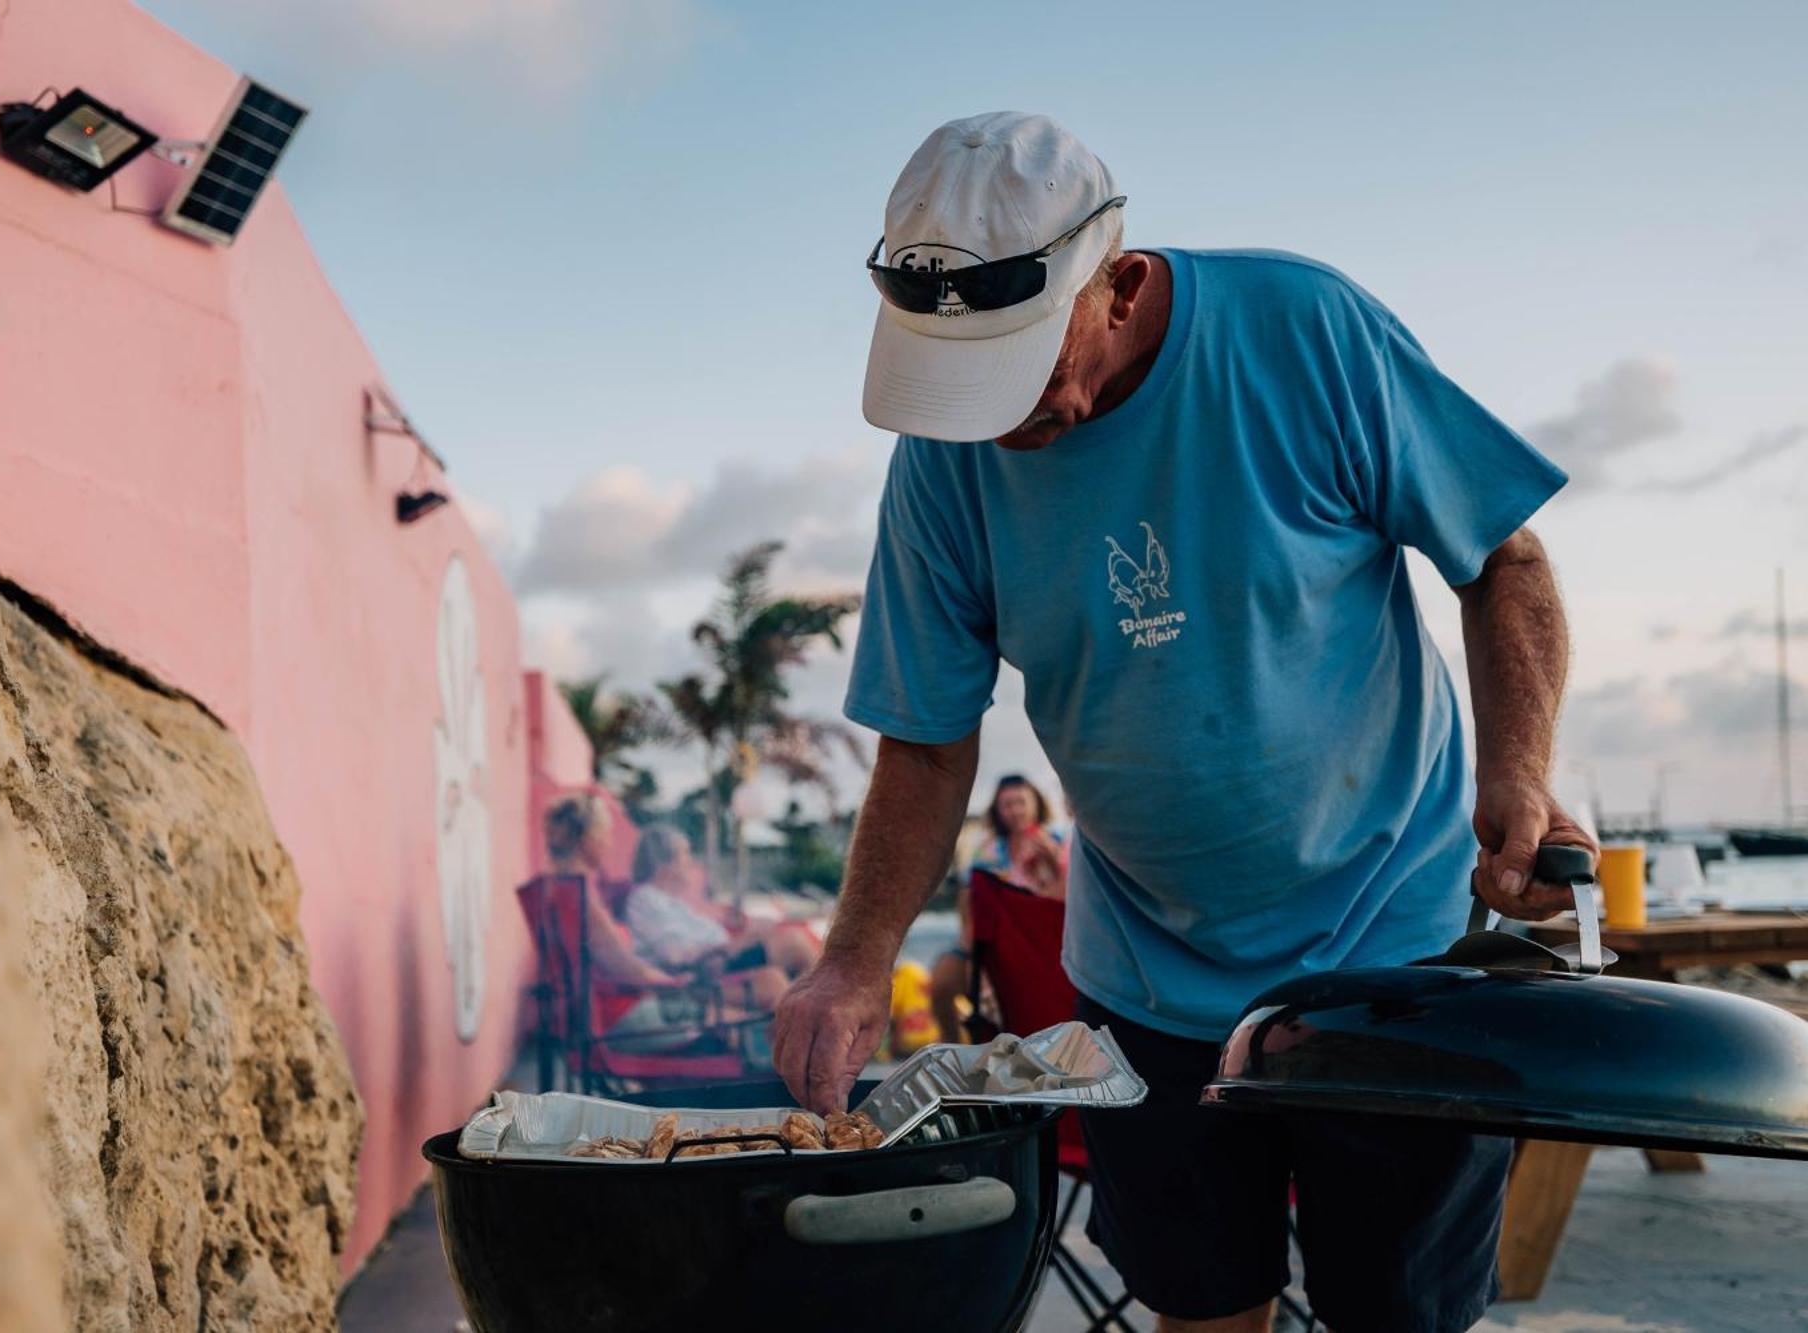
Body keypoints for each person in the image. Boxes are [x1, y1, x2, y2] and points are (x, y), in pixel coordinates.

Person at [772, 112, 1596, 1333]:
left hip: (1394, 940)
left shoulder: (1305, 331)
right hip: (1147, 972)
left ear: (1120, 282)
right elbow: (928, 736)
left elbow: (1503, 561)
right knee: (1202, 1309)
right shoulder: (948, 455)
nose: (1000, 422)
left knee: (1398, 1315)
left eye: (1021, 371)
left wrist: (1515, 781)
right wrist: (851, 960)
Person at [541, 793, 770, 1048]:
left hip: (621, 1008)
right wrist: (670, 982)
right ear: (586, 840)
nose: (608, 843)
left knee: (758, 1022)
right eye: (603, 833)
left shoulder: (564, 889)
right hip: (625, 1016)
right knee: (758, 1030)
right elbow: (623, 966)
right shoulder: (579, 895)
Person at [930, 775, 1068, 1040]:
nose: (1016, 811)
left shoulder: (1057, 842)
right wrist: (972, 952)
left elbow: (1063, 901)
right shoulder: (988, 849)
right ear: (998, 809)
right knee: (942, 984)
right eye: (1008, 804)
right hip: (990, 942)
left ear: (1036, 804)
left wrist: (1054, 862)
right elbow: (969, 902)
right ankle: (955, 1048)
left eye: (1021, 802)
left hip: (1043, 945)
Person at [623, 823, 818, 1006]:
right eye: (685, 853)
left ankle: (816, 1018)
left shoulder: (671, 902)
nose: (691, 861)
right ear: (664, 862)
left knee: (795, 950)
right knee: (794, 943)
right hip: (706, 970)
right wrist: (742, 942)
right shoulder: (645, 899)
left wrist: (747, 934)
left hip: (721, 961)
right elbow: (676, 955)